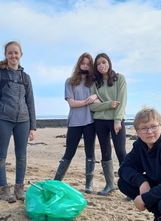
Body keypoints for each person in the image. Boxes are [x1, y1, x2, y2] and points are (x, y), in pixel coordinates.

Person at [0, 41, 36, 203]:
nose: (13, 56)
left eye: (16, 53)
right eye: (10, 53)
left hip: (23, 121)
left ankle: (19, 189)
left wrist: (33, 126)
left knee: (21, 156)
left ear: (21, 54)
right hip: (3, 120)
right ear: (6, 55)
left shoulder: (26, 77)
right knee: (1, 156)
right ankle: (4, 189)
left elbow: (30, 102)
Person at [53, 53, 99, 193]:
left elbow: (99, 97)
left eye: (88, 64)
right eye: (83, 63)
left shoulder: (94, 82)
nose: (85, 66)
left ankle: (89, 184)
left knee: (90, 153)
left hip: (90, 122)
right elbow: (71, 103)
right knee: (69, 152)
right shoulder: (70, 81)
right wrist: (86, 101)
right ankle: (56, 182)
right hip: (75, 122)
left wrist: (95, 96)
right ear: (79, 64)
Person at [89, 53, 127, 195]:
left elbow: (121, 102)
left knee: (121, 152)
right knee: (105, 152)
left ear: (109, 63)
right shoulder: (95, 84)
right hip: (100, 121)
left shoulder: (120, 79)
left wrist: (117, 120)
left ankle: (129, 187)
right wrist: (109, 104)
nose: (101, 66)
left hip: (116, 120)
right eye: (98, 64)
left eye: (103, 62)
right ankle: (110, 184)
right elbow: (92, 107)